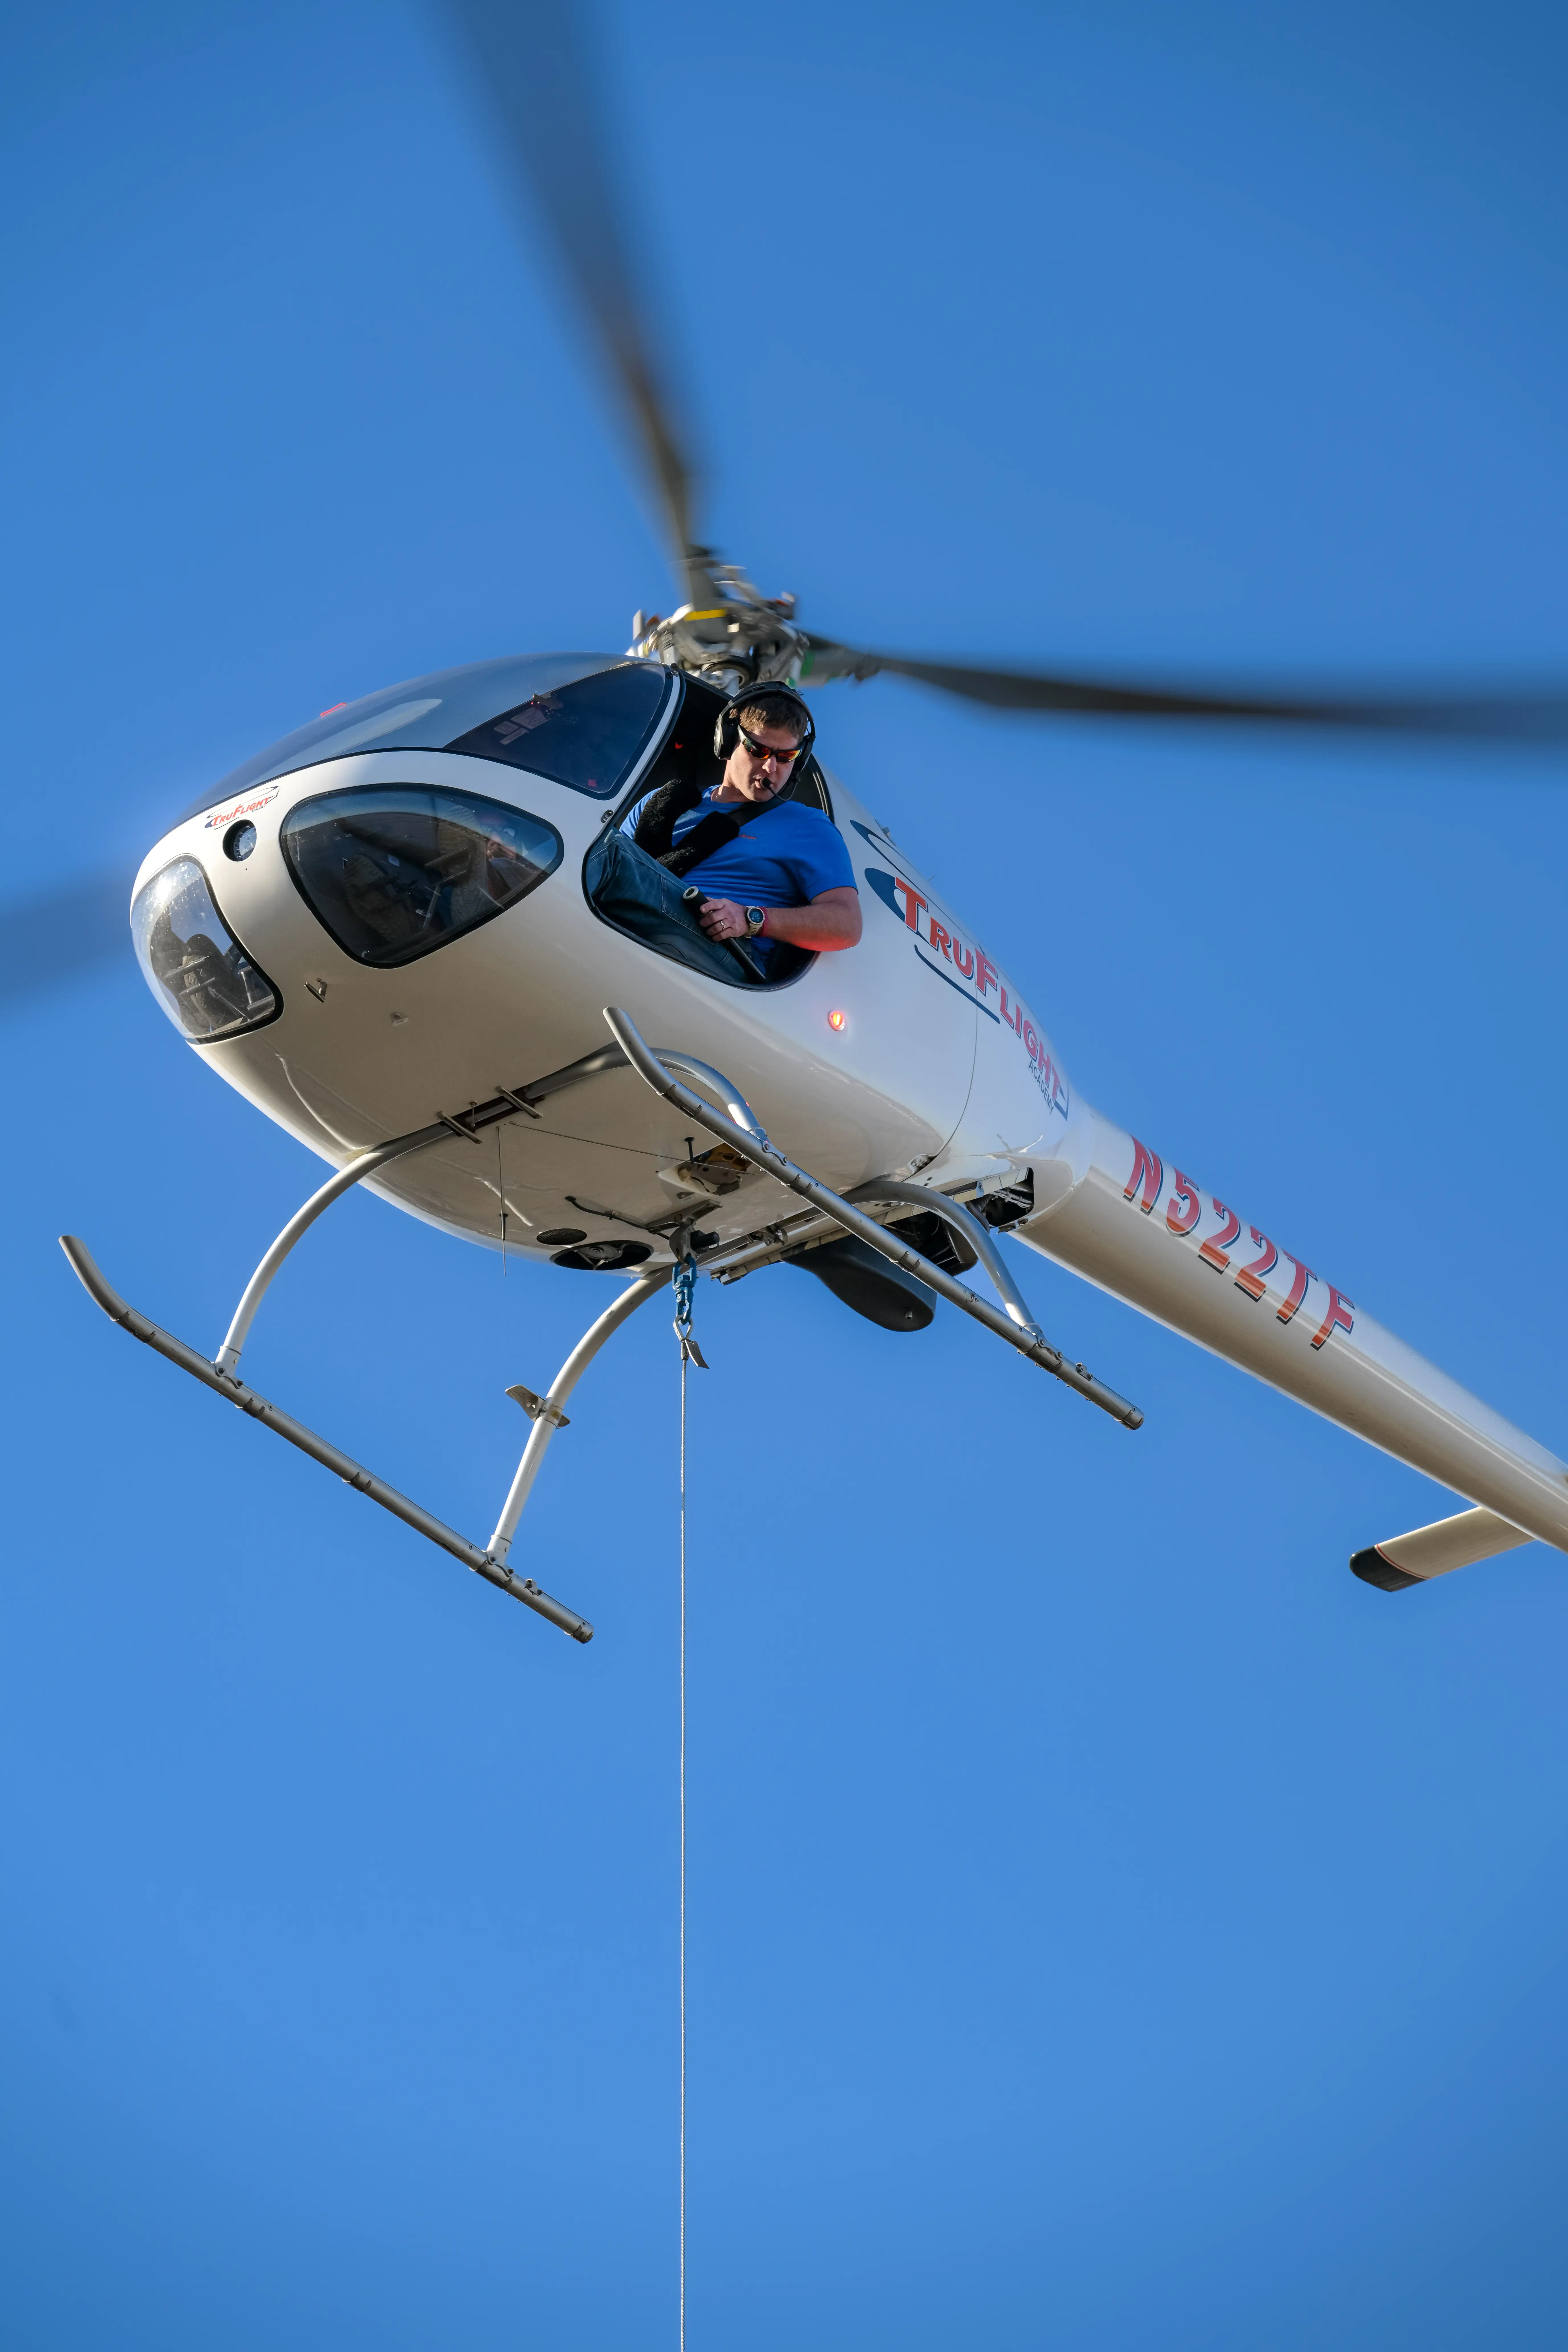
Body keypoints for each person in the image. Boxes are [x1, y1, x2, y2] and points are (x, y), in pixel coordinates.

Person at [606, 684, 861, 980]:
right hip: (636, 918)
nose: (770, 768)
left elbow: (846, 924)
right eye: (759, 750)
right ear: (726, 740)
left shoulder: (808, 827)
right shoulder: (658, 804)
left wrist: (750, 918)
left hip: (719, 948)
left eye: (785, 757)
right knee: (601, 850)